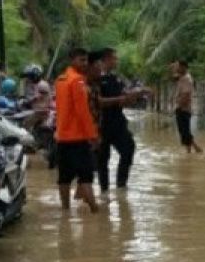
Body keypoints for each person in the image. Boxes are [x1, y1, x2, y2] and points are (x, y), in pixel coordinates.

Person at [54, 48, 99, 213]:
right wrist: (92, 135)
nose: (85, 63)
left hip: (62, 137)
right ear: (72, 60)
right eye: (82, 60)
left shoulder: (60, 79)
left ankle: (65, 210)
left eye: (86, 60)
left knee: (64, 177)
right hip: (77, 137)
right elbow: (83, 112)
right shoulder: (77, 81)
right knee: (86, 175)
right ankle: (95, 209)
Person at [95, 48, 142, 192]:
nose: (116, 61)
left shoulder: (116, 78)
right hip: (101, 124)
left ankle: (121, 185)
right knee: (103, 159)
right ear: (105, 60)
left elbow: (124, 99)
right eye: (114, 58)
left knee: (128, 149)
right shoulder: (96, 79)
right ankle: (104, 191)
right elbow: (98, 102)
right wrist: (119, 99)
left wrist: (134, 96)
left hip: (118, 122)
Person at [172, 60, 202, 153]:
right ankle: (190, 151)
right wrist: (173, 69)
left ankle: (195, 149)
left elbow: (186, 95)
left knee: (185, 131)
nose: (176, 68)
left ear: (183, 67)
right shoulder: (182, 77)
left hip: (183, 108)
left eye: (178, 67)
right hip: (182, 108)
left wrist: (179, 107)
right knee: (184, 131)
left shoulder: (186, 79)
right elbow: (172, 77)